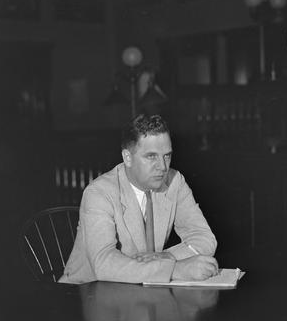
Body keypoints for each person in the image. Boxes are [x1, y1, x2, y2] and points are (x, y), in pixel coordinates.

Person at [58, 114, 218, 285]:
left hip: (140, 290)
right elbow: (103, 263)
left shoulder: (175, 182)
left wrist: (166, 257)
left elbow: (204, 238)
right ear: (127, 157)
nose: (163, 167)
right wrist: (175, 269)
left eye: (167, 156)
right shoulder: (99, 193)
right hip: (87, 292)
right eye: (151, 156)